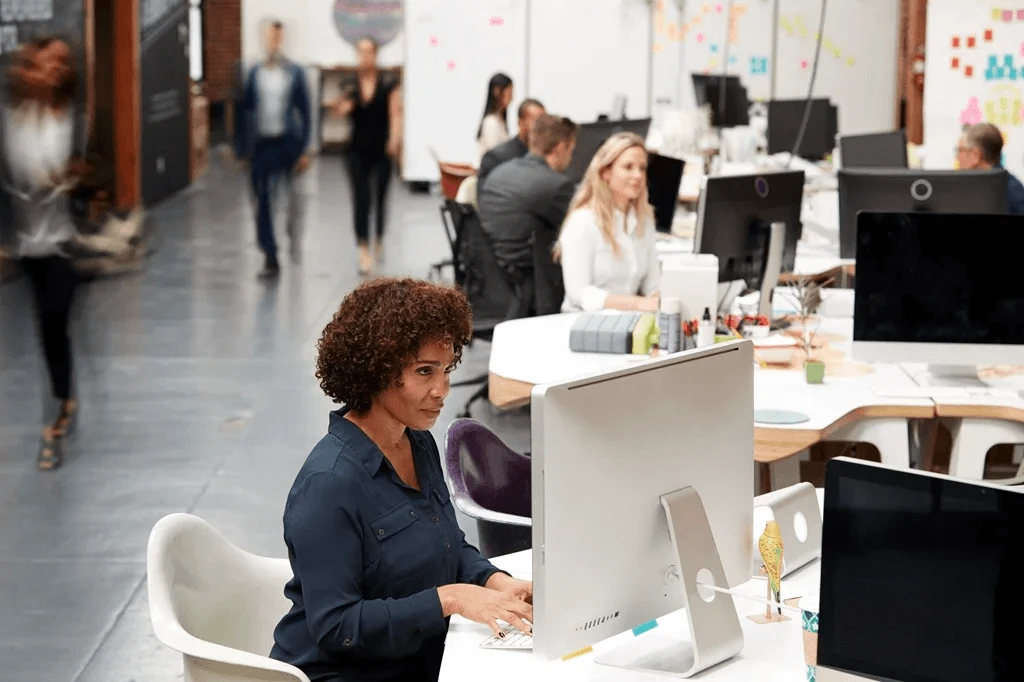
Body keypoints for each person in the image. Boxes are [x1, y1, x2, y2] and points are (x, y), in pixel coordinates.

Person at [269, 278, 533, 681]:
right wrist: (452, 598)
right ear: (375, 371)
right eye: (424, 371)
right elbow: (336, 627)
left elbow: (447, 545)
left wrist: (493, 580)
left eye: (446, 370)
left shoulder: (418, 444)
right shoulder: (328, 485)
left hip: (417, 660)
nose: (441, 389)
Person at [0, 37, 86, 469]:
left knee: (54, 320)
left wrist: (71, 179)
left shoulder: (71, 120)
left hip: (62, 243)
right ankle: (64, 395)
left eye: (59, 64)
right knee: (48, 327)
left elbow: (90, 172)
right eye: (42, 64)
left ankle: (54, 415)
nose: (50, 71)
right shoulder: (14, 120)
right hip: (28, 245)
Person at [236, 20, 312, 279]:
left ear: (282, 39)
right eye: (270, 37)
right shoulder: (254, 72)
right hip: (261, 146)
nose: (273, 42)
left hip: (285, 144)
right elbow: (244, 111)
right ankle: (270, 253)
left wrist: (305, 149)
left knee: (292, 201)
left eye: (278, 38)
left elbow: (306, 110)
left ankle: (293, 242)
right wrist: (242, 148)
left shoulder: (294, 72)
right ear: (264, 39)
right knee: (263, 199)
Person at [478, 114, 577, 311]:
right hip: (530, 282)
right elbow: (582, 225)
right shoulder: (555, 185)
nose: (571, 157)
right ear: (560, 148)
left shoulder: (500, 172)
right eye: (571, 151)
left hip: (491, 276)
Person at [555, 132, 661, 313]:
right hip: (585, 323)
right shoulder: (583, 222)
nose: (638, 175)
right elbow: (579, 293)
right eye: (628, 167)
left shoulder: (644, 220)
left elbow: (653, 286)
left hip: (629, 323)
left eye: (642, 168)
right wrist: (637, 304)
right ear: (605, 172)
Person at [334, 38, 402, 276]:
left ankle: (379, 237)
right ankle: (363, 247)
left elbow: (395, 113)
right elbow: (339, 111)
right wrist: (344, 105)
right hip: (356, 150)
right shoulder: (350, 84)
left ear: (375, 54)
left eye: (369, 52)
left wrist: (394, 139)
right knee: (361, 198)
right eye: (361, 52)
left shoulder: (388, 83)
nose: (365, 57)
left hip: (381, 149)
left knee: (380, 197)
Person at [956, 122, 1024, 215]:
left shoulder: (1010, 193)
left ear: (975, 155)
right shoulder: (1013, 187)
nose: (957, 157)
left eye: (960, 150)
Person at [477, 98, 545, 191]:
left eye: (544, 122)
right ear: (520, 122)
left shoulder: (547, 157)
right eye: (536, 121)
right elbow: (487, 198)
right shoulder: (496, 158)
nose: (541, 127)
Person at [476, 73, 513, 162]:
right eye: (509, 93)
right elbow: (496, 155)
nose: (512, 97)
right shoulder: (491, 123)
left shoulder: (500, 120)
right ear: (497, 92)